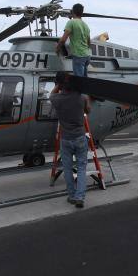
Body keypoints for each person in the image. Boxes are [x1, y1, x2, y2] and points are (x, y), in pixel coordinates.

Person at [50, 71, 91, 208]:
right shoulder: (82, 97)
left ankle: (72, 196)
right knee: (81, 168)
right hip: (79, 136)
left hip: (65, 138)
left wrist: (58, 84)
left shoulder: (56, 99)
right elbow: (88, 110)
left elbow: (52, 93)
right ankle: (80, 197)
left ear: (61, 85)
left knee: (67, 169)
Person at [57, 3, 91, 77]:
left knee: (79, 80)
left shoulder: (71, 22)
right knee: (85, 78)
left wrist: (57, 49)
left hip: (79, 55)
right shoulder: (86, 25)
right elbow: (88, 42)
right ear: (82, 13)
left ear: (73, 12)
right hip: (87, 55)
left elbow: (63, 40)